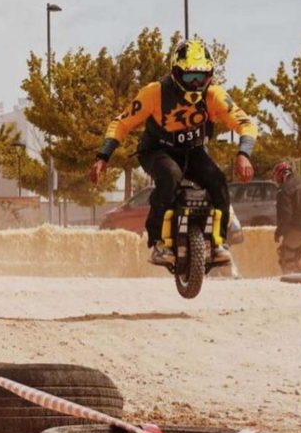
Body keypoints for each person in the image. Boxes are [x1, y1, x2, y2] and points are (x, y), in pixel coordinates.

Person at [90, 38, 257, 265]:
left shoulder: (215, 95)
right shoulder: (154, 93)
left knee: (217, 180)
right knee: (170, 176)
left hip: (193, 151)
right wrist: (103, 155)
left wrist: (244, 153)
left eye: (201, 77)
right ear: (176, 73)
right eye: (190, 77)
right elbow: (121, 123)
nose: (196, 84)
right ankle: (158, 241)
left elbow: (245, 123)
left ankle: (219, 242)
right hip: (156, 150)